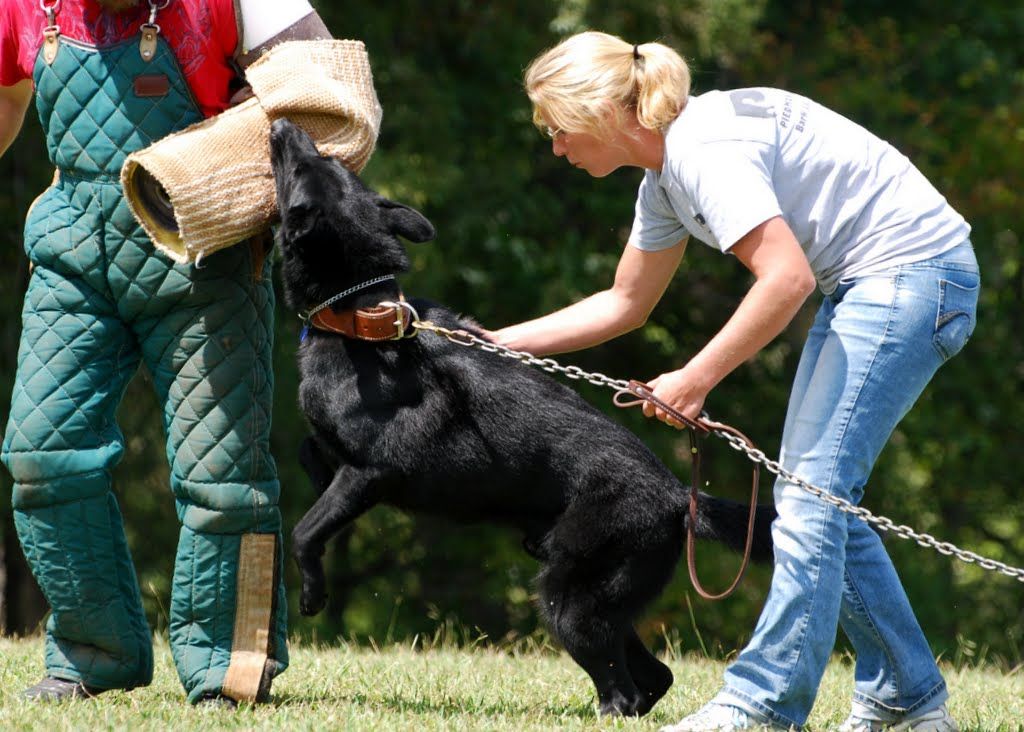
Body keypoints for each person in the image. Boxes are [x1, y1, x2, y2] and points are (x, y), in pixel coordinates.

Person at [489, 31, 977, 731]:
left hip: (913, 277)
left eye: (556, 128)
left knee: (809, 503)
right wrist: (494, 342)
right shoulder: (665, 177)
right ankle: (905, 695)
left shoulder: (701, 151)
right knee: (820, 498)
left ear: (600, 112)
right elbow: (625, 303)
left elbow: (786, 278)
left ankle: (761, 705)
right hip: (885, 283)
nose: (556, 147)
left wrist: (695, 377)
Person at [0, 0, 333, 706]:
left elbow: (334, 101)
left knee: (224, 480)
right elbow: (6, 102)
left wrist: (267, 117)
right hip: (70, 262)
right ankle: (93, 655)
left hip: (204, 256)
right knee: (41, 458)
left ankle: (231, 670)